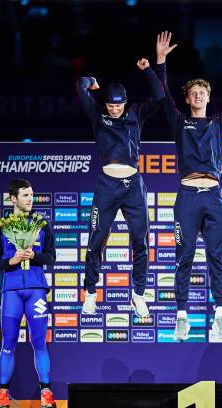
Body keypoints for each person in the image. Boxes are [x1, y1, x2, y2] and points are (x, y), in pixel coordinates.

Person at [154, 31, 222, 341]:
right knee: (184, 256)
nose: (198, 96)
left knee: (216, 256)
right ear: (187, 99)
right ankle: (182, 317)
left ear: (209, 98)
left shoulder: (217, 124)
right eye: (193, 92)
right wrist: (160, 61)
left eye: (202, 92)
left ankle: (220, 317)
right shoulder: (178, 122)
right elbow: (162, 96)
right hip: (186, 197)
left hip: (212, 196)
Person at [78, 58, 164, 318]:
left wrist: (148, 70)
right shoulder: (98, 115)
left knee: (141, 241)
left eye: (118, 105)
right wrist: (90, 81)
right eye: (111, 105)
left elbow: (159, 96)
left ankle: (138, 296)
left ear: (125, 103)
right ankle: (91, 293)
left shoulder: (136, 113)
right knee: (96, 240)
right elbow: (79, 86)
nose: (114, 110)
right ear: (105, 104)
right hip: (107, 184)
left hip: (133, 185)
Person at [0, 179, 56, 408]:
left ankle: (46, 394)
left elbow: (51, 257)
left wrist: (34, 257)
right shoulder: (1, 227)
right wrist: (12, 260)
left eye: (32, 195)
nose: (30, 199)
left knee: (39, 344)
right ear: (13, 199)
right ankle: (2, 394)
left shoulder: (42, 224)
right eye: (26, 195)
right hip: (12, 292)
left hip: (36, 290)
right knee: (8, 344)